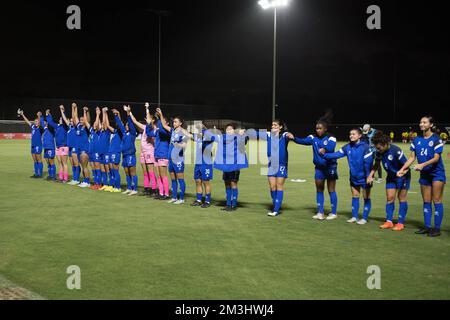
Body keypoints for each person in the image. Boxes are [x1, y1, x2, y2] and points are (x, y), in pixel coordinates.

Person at [397, 116, 446, 237]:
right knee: (426, 201)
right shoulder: (416, 140)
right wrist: (403, 169)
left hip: (437, 174)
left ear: (430, 125)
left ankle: (437, 228)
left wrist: (422, 165)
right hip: (425, 175)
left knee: (437, 200)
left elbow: (436, 158)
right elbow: (412, 157)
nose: (421, 124)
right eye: (420, 122)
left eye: (424, 122)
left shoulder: (436, 139)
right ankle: (427, 227)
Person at [320, 128, 374, 225]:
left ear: (360, 136)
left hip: (365, 177)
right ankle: (354, 216)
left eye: (353, 134)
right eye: (350, 134)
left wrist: (369, 176)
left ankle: (364, 218)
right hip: (354, 176)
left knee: (366, 197)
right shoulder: (347, 147)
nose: (351, 136)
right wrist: (324, 155)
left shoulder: (365, 147)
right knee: (355, 196)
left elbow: (368, 163)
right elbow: (336, 154)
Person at [290, 118, 338, 220]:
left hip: (330, 167)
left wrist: (325, 149)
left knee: (331, 190)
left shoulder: (331, 137)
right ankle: (320, 212)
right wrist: (293, 138)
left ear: (325, 129)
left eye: (320, 128)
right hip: (319, 168)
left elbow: (331, 146)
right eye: (317, 128)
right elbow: (303, 141)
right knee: (319, 189)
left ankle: (333, 213)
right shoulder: (313, 137)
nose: (318, 130)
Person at [368, 131, 410, 231]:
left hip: (403, 176)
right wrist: (370, 175)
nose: (378, 150)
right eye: (377, 148)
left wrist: (402, 172)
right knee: (390, 197)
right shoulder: (379, 152)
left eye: (379, 148)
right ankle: (389, 221)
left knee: (401, 198)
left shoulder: (396, 150)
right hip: (391, 177)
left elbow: (407, 165)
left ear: (386, 144)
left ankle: (400, 223)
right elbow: (376, 164)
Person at [214, 123, 249, 211]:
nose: (228, 130)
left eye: (230, 129)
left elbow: (245, 139)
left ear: (234, 130)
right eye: (227, 129)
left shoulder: (238, 137)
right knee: (227, 184)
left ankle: (234, 204)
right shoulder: (224, 138)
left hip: (235, 165)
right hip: (226, 165)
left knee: (233, 184)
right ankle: (228, 204)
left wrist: (243, 134)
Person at [157, 108, 188, 204]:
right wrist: (161, 114)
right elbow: (163, 125)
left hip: (178, 159)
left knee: (180, 179)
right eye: (173, 122)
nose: (173, 123)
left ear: (180, 123)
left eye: (175, 122)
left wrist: (177, 144)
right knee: (173, 179)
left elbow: (185, 145)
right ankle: (174, 197)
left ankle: (181, 199)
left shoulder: (183, 133)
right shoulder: (173, 131)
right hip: (170, 159)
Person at [129, 103, 158, 196]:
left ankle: (154, 189)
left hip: (149, 152)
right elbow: (134, 121)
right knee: (145, 172)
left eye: (149, 118)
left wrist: (147, 108)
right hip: (142, 152)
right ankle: (147, 188)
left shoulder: (154, 129)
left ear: (153, 120)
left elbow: (148, 118)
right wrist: (129, 112)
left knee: (151, 171)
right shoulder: (145, 127)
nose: (147, 118)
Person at [145, 108, 171, 200]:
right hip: (157, 155)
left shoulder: (166, 132)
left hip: (163, 155)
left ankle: (166, 194)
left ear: (166, 123)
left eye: (163, 121)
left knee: (163, 175)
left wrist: (160, 116)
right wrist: (148, 124)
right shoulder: (157, 131)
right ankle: (161, 192)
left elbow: (161, 129)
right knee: (159, 175)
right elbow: (149, 133)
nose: (161, 122)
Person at [113, 106, 138, 196]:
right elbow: (120, 124)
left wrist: (128, 113)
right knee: (127, 172)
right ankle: (128, 188)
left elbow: (131, 123)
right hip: (125, 155)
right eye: (126, 125)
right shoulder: (124, 133)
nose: (126, 126)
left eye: (127, 125)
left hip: (131, 155)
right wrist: (116, 115)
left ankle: (134, 189)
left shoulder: (132, 133)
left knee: (132, 172)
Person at [190, 122, 215, 208]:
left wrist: (204, 130)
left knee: (206, 182)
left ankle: (207, 201)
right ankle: (199, 200)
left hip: (206, 163)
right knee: (198, 181)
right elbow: (189, 135)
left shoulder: (209, 136)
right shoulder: (198, 136)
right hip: (198, 163)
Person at [18, 110, 44, 178]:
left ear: (39, 122)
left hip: (38, 146)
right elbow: (27, 121)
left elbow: (40, 122)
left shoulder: (40, 128)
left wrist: (39, 116)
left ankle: (40, 174)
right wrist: (22, 114)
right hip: (33, 146)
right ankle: (36, 174)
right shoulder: (33, 127)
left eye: (37, 121)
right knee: (35, 160)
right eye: (35, 121)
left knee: (39, 160)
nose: (35, 122)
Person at [46, 108, 69, 183]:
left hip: (63, 147)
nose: (61, 119)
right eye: (60, 118)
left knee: (64, 163)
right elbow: (50, 122)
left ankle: (65, 179)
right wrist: (47, 114)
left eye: (62, 118)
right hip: (58, 147)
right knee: (59, 163)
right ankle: (60, 177)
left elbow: (64, 117)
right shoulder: (57, 126)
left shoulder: (65, 126)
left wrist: (63, 111)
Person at [60, 105, 81, 185]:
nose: (72, 122)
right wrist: (61, 110)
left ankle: (77, 179)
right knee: (72, 164)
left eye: (73, 121)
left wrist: (74, 108)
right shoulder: (69, 127)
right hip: (70, 148)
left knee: (76, 164)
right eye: (71, 121)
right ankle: (74, 178)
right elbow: (64, 118)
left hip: (75, 147)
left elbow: (74, 117)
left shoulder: (76, 127)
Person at [103, 107, 122, 193]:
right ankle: (112, 185)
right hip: (111, 152)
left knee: (115, 169)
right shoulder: (115, 132)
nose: (117, 124)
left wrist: (117, 114)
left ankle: (118, 187)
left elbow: (120, 123)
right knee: (111, 169)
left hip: (116, 152)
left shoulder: (121, 132)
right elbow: (107, 125)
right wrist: (105, 114)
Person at [72, 104, 91, 188]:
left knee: (84, 166)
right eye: (80, 120)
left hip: (84, 150)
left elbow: (88, 120)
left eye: (82, 120)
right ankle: (84, 180)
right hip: (79, 150)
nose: (81, 121)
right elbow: (74, 117)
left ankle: (87, 181)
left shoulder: (86, 128)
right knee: (83, 166)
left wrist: (86, 111)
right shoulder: (79, 127)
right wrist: (74, 108)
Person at [42, 109, 57, 181]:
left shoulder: (52, 129)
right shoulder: (45, 129)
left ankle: (53, 176)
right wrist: (41, 116)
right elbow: (42, 123)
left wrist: (48, 115)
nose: (46, 123)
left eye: (46, 122)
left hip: (51, 147)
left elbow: (50, 122)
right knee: (48, 162)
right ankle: (50, 174)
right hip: (45, 148)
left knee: (51, 162)